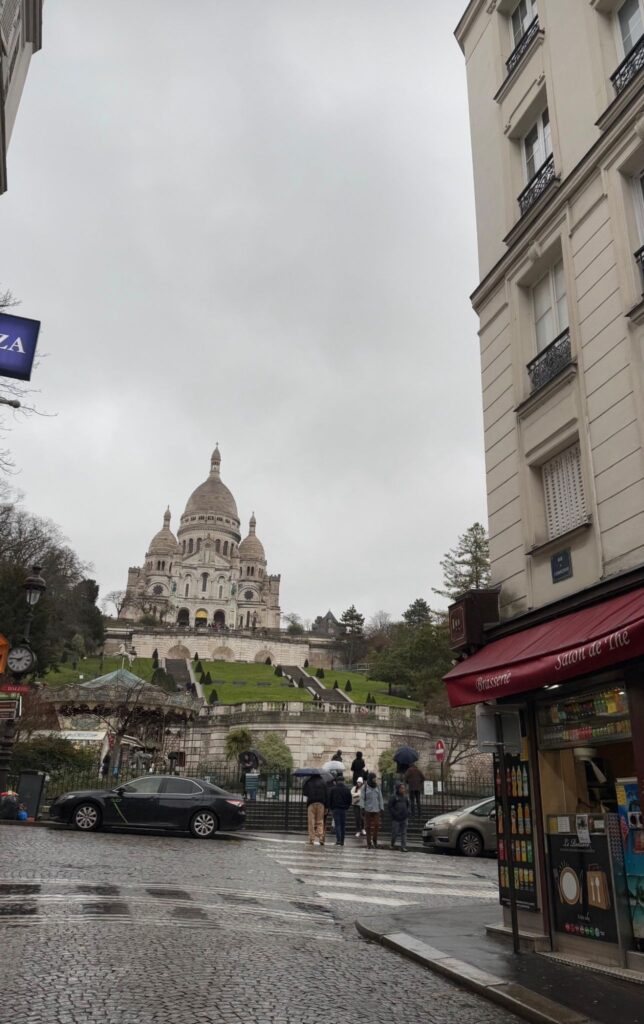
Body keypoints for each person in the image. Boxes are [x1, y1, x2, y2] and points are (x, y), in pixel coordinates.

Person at [360, 771, 384, 849]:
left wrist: (382, 808)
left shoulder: (377, 786)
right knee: (367, 826)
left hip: (376, 809)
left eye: (375, 778)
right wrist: (362, 808)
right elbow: (362, 798)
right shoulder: (365, 787)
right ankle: (368, 843)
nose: (375, 780)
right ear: (370, 778)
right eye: (373, 778)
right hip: (367, 809)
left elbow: (380, 797)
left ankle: (374, 839)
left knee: (377, 825)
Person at [303, 773, 328, 846]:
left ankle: (311, 839)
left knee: (311, 822)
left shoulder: (309, 782)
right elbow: (327, 794)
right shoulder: (323, 782)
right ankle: (321, 838)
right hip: (321, 803)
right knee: (320, 821)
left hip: (311, 803)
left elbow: (305, 793)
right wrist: (327, 806)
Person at [328, 775, 352, 846]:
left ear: (336, 781)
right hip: (343, 809)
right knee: (343, 825)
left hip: (335, 809)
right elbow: (349, 800)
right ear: (343, 781)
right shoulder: (347, 789)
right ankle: (342, 840)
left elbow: (330, 799)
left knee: (337, 824)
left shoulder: (333, 789)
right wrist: (347, 807)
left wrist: (331, 808)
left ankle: (338, 840)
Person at [388, 782, 410, 852]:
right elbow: (390, 807)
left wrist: (407, 813)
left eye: (404, 788)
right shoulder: (393, 797)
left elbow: (408, 805)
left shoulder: (405, 797)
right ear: (398, 789)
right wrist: (395, 814)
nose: (403, 790)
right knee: (395, 833)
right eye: (401, 788)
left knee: (403, 833)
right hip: (396, 818)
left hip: (404, 818)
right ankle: (392, 844)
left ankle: (403, 847)